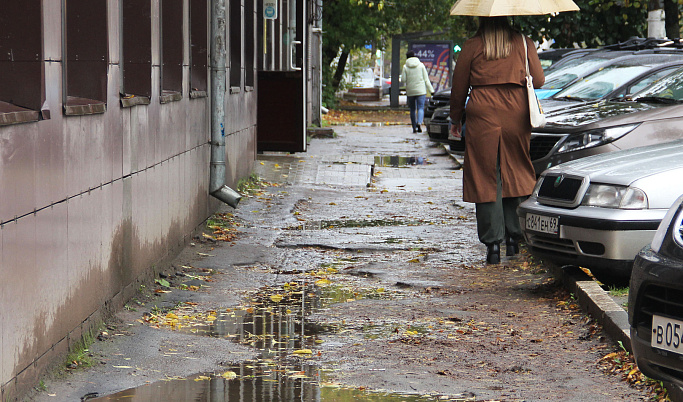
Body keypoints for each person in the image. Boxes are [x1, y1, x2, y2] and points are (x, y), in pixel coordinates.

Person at [449, 16, 544, 264]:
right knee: (516, 167)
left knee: (485, 173)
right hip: (516, 111)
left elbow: (458, 87)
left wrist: (456, 118)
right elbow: (540, 80)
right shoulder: (524, 43)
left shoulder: (473, 45)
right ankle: (515, 238)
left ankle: (493, 245)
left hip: (482, 111)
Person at [401, 51, 435, 133]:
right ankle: (419, 123)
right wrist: (432, 91)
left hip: (410, 91)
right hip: (421, 91)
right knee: (420, 108)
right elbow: (426, 79)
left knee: (412, 109)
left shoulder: (405, 67)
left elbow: (403, 80)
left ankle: (414, 126)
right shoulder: (421, 65)